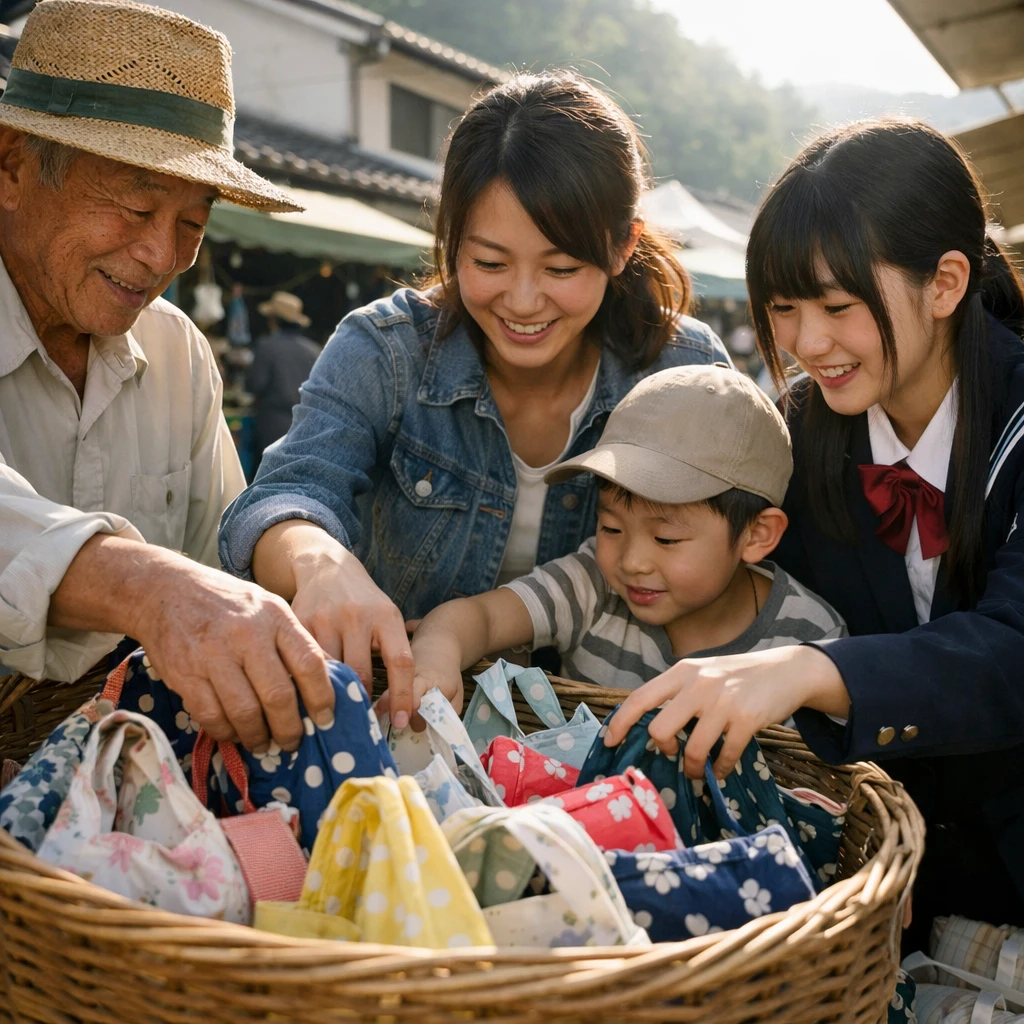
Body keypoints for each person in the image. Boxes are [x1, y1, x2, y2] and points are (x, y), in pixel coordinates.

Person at [604, 118, 1024, 946]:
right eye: (785, 309)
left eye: (837, 306)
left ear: (945, 284)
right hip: (868, 893)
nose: (806, 343)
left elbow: (1014, 647)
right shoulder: (795, 432)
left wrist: (811, 666)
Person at [219, 70, 730, 726]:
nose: (522, 301)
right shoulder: (387, 351)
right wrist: (318, 560)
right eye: (489, 264)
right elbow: (285, 496)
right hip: (399, 722)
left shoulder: (683, 371)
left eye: (561, 269)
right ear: (452, 240)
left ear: (622, 246)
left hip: (614, 744)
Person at [0, 0, 333, 754]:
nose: (163, 256)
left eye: (193, 221)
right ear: (11, 166)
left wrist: (310, 570)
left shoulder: (177, 350)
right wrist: (144, 586)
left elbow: (220, 553)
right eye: (135, 204)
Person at [405, 365, 845, 708]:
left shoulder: (808, 637)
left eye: (666, 539)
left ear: (757, 535)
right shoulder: (591, 584)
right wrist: (437, 653)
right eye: (612, 527)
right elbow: (482, 617)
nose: (631, 560)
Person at [247, 291, 321, 463]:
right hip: (304, 428)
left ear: (274, 320)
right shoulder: (313, 350)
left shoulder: (267, 346)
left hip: (271, 426)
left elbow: (254, 384)